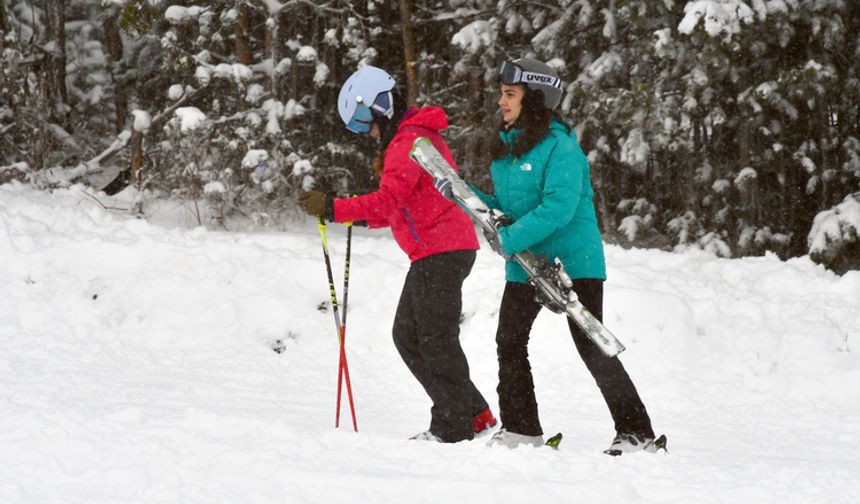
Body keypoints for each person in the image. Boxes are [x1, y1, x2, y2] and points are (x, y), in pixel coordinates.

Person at [471, 57, 664, 454]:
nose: (501, 102)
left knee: (590, 345)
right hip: (526, 262)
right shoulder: (505, 151)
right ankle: (522, 429)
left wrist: (509, 239)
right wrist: (472, 201)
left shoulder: (562, 149)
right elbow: (508, 207)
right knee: (508, 339)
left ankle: (637, 433)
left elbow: (557, 209)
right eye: (501, 94)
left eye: (510, 94)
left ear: (536, 98)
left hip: (574, 263)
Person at [298, 66, 496, 443]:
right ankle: (474, 413)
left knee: (435, 339)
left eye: (364, 123)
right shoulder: (411, 139)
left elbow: (388, 200)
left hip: (442, 247)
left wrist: (334, 209)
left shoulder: (410, 141)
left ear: (379, 107)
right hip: (436, 248)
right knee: (408, 336)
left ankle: (452, 426)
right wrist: (353, 217)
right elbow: (398, 208)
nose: (367, 132)